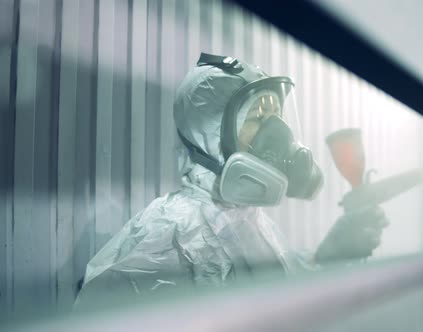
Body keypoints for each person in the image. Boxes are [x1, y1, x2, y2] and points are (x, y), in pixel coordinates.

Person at [76, 53, 388, 303]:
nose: (278, 134)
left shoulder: (247, 218)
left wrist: (328, 256)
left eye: (276, 116)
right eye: (258, 118)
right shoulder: (170, 233)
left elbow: (280, 299)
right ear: (212, 135)